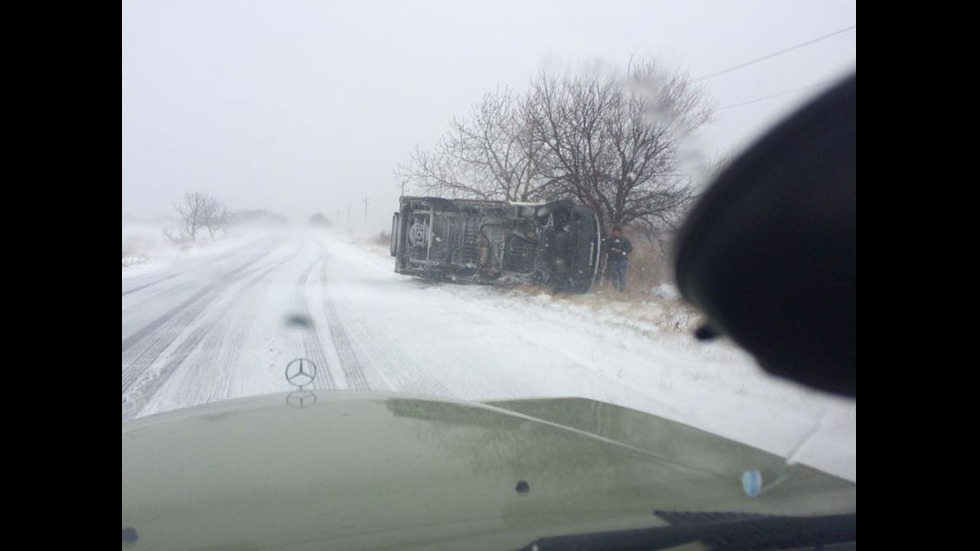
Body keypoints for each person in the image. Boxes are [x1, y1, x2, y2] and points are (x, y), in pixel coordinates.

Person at [605, 225, 632, 292]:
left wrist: (622, 250)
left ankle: (622, 288)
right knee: (613, 273)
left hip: (622, 259)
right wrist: (611, 249)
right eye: (615, 232)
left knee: (621, 273)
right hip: (612, 259)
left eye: (617, 232)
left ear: (620, 232)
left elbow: (630, 248)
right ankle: (615, 286)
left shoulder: (625, 240)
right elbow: (605, 248)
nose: (616, 233)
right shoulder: (610, 240)